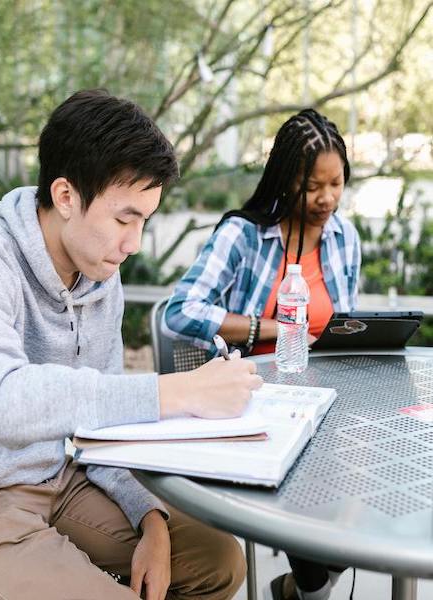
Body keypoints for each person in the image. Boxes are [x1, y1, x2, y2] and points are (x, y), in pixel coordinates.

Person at [0, 89, 263, 600]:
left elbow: (98, 423)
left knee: (215, 559)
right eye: (124, 218)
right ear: (65, 197)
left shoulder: (100, 277)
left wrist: (149, 516)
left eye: (144, 222)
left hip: (58, 477)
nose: (132, 244)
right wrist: (177, 392)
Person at [162, 108, 361, 600]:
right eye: (314, 186)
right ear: (284, 179)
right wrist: (275, 328)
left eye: (337, 184)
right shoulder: (244, 237)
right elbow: (180, 312)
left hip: (327, 399)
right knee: (311, 498)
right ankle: (304, 591)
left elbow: (341, 325)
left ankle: (301, 587)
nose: (327, 199)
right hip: (256, 399)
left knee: (360, 500)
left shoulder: (344, 239)